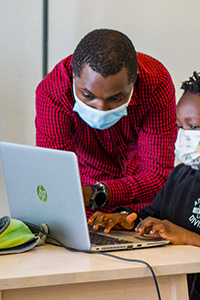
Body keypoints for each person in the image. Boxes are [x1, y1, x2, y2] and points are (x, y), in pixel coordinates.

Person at [88, 69, 200, 299]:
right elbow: (150, 214)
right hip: (168, 287)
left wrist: (189, 238)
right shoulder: (181, 175)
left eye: (193, 127)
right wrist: (126, 219)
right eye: (180, 127)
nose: (184, 135)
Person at [35, 29, 176, 219]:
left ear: (133, 82)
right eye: (88, 95)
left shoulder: (155, 83)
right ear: (74, 76)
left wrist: (98, 193)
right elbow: (57, 176)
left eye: (116, 97)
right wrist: (84, 196)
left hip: (141, 209)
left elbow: (157, 175)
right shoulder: (53, 92)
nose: (101, 108)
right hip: (83, 206)